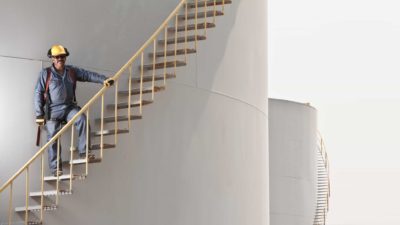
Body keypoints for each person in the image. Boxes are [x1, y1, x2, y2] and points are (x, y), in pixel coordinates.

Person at [34, 44, 114, 176]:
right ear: (52, 58)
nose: (60, 59)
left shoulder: (71, 71)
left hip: (69, 107)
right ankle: (55, 168)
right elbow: (38, 93)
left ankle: (84, 152)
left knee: (82, 119)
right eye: (57, 57)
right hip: (53, 111)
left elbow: (88, 75)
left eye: (63, 56)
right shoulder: (46, 74)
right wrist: (39, 114)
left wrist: (104, 79)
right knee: (52, 137)